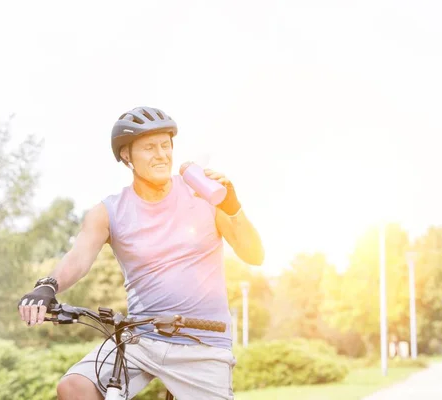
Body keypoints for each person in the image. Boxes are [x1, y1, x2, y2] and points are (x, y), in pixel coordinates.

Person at [17, 106, 265, 400]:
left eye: (165, 145)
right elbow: (79, 256)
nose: (161, 154)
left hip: (202, 341)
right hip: (140, 337)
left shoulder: (204, 194)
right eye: (149, 147)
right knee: (74, 387)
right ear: (126, 156)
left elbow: (254, 255)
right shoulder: (109, 212)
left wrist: (233, 207)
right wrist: (48, 285)